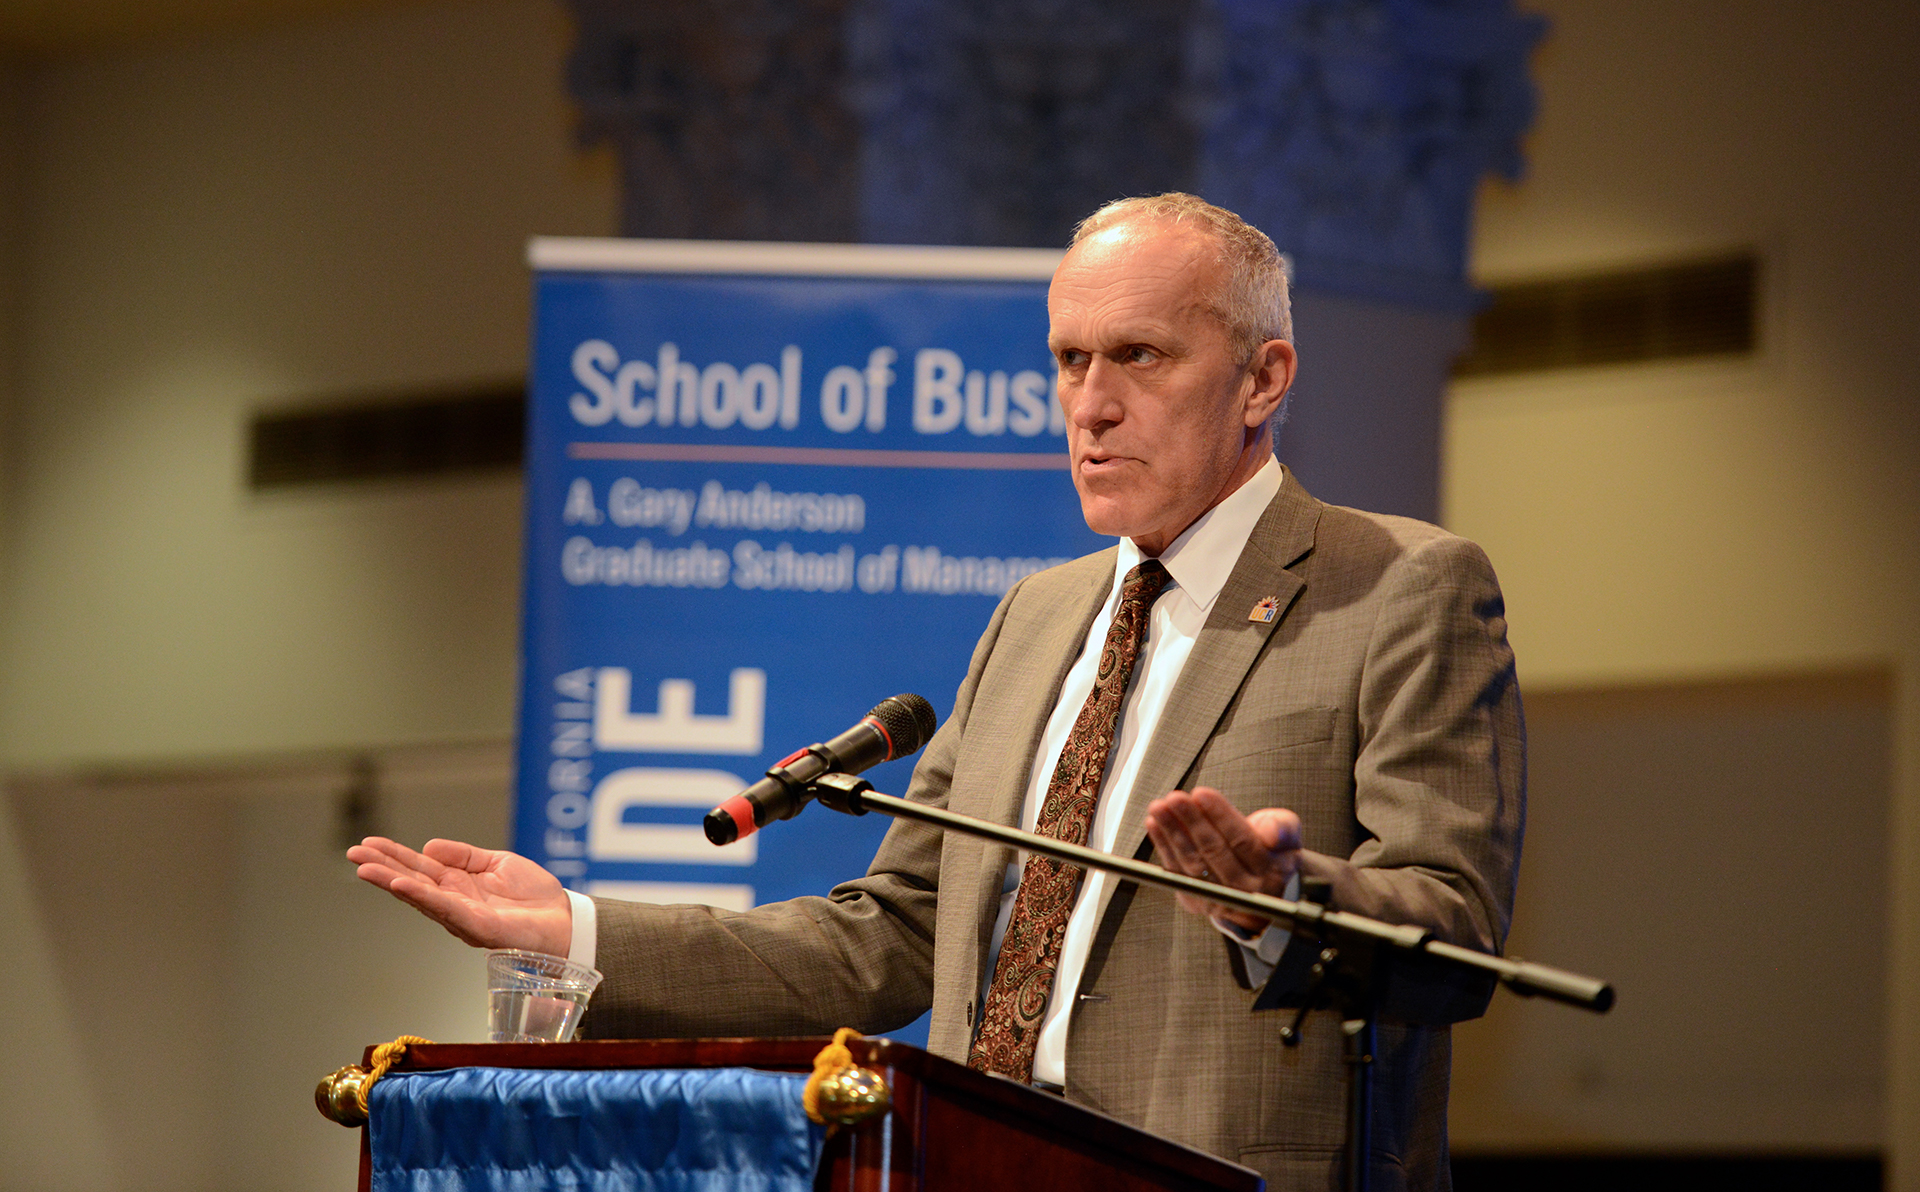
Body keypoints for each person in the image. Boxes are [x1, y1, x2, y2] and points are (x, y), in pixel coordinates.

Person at [350, 193, 1523, 1192]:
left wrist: (1282, 902)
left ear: (1263, 378)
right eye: (1070, 360)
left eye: (1141, 356)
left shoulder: (1399, 587)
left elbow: (1456, 929)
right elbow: (893, 933)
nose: (1091, 404)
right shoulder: (1037, 617)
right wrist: (573, 932)